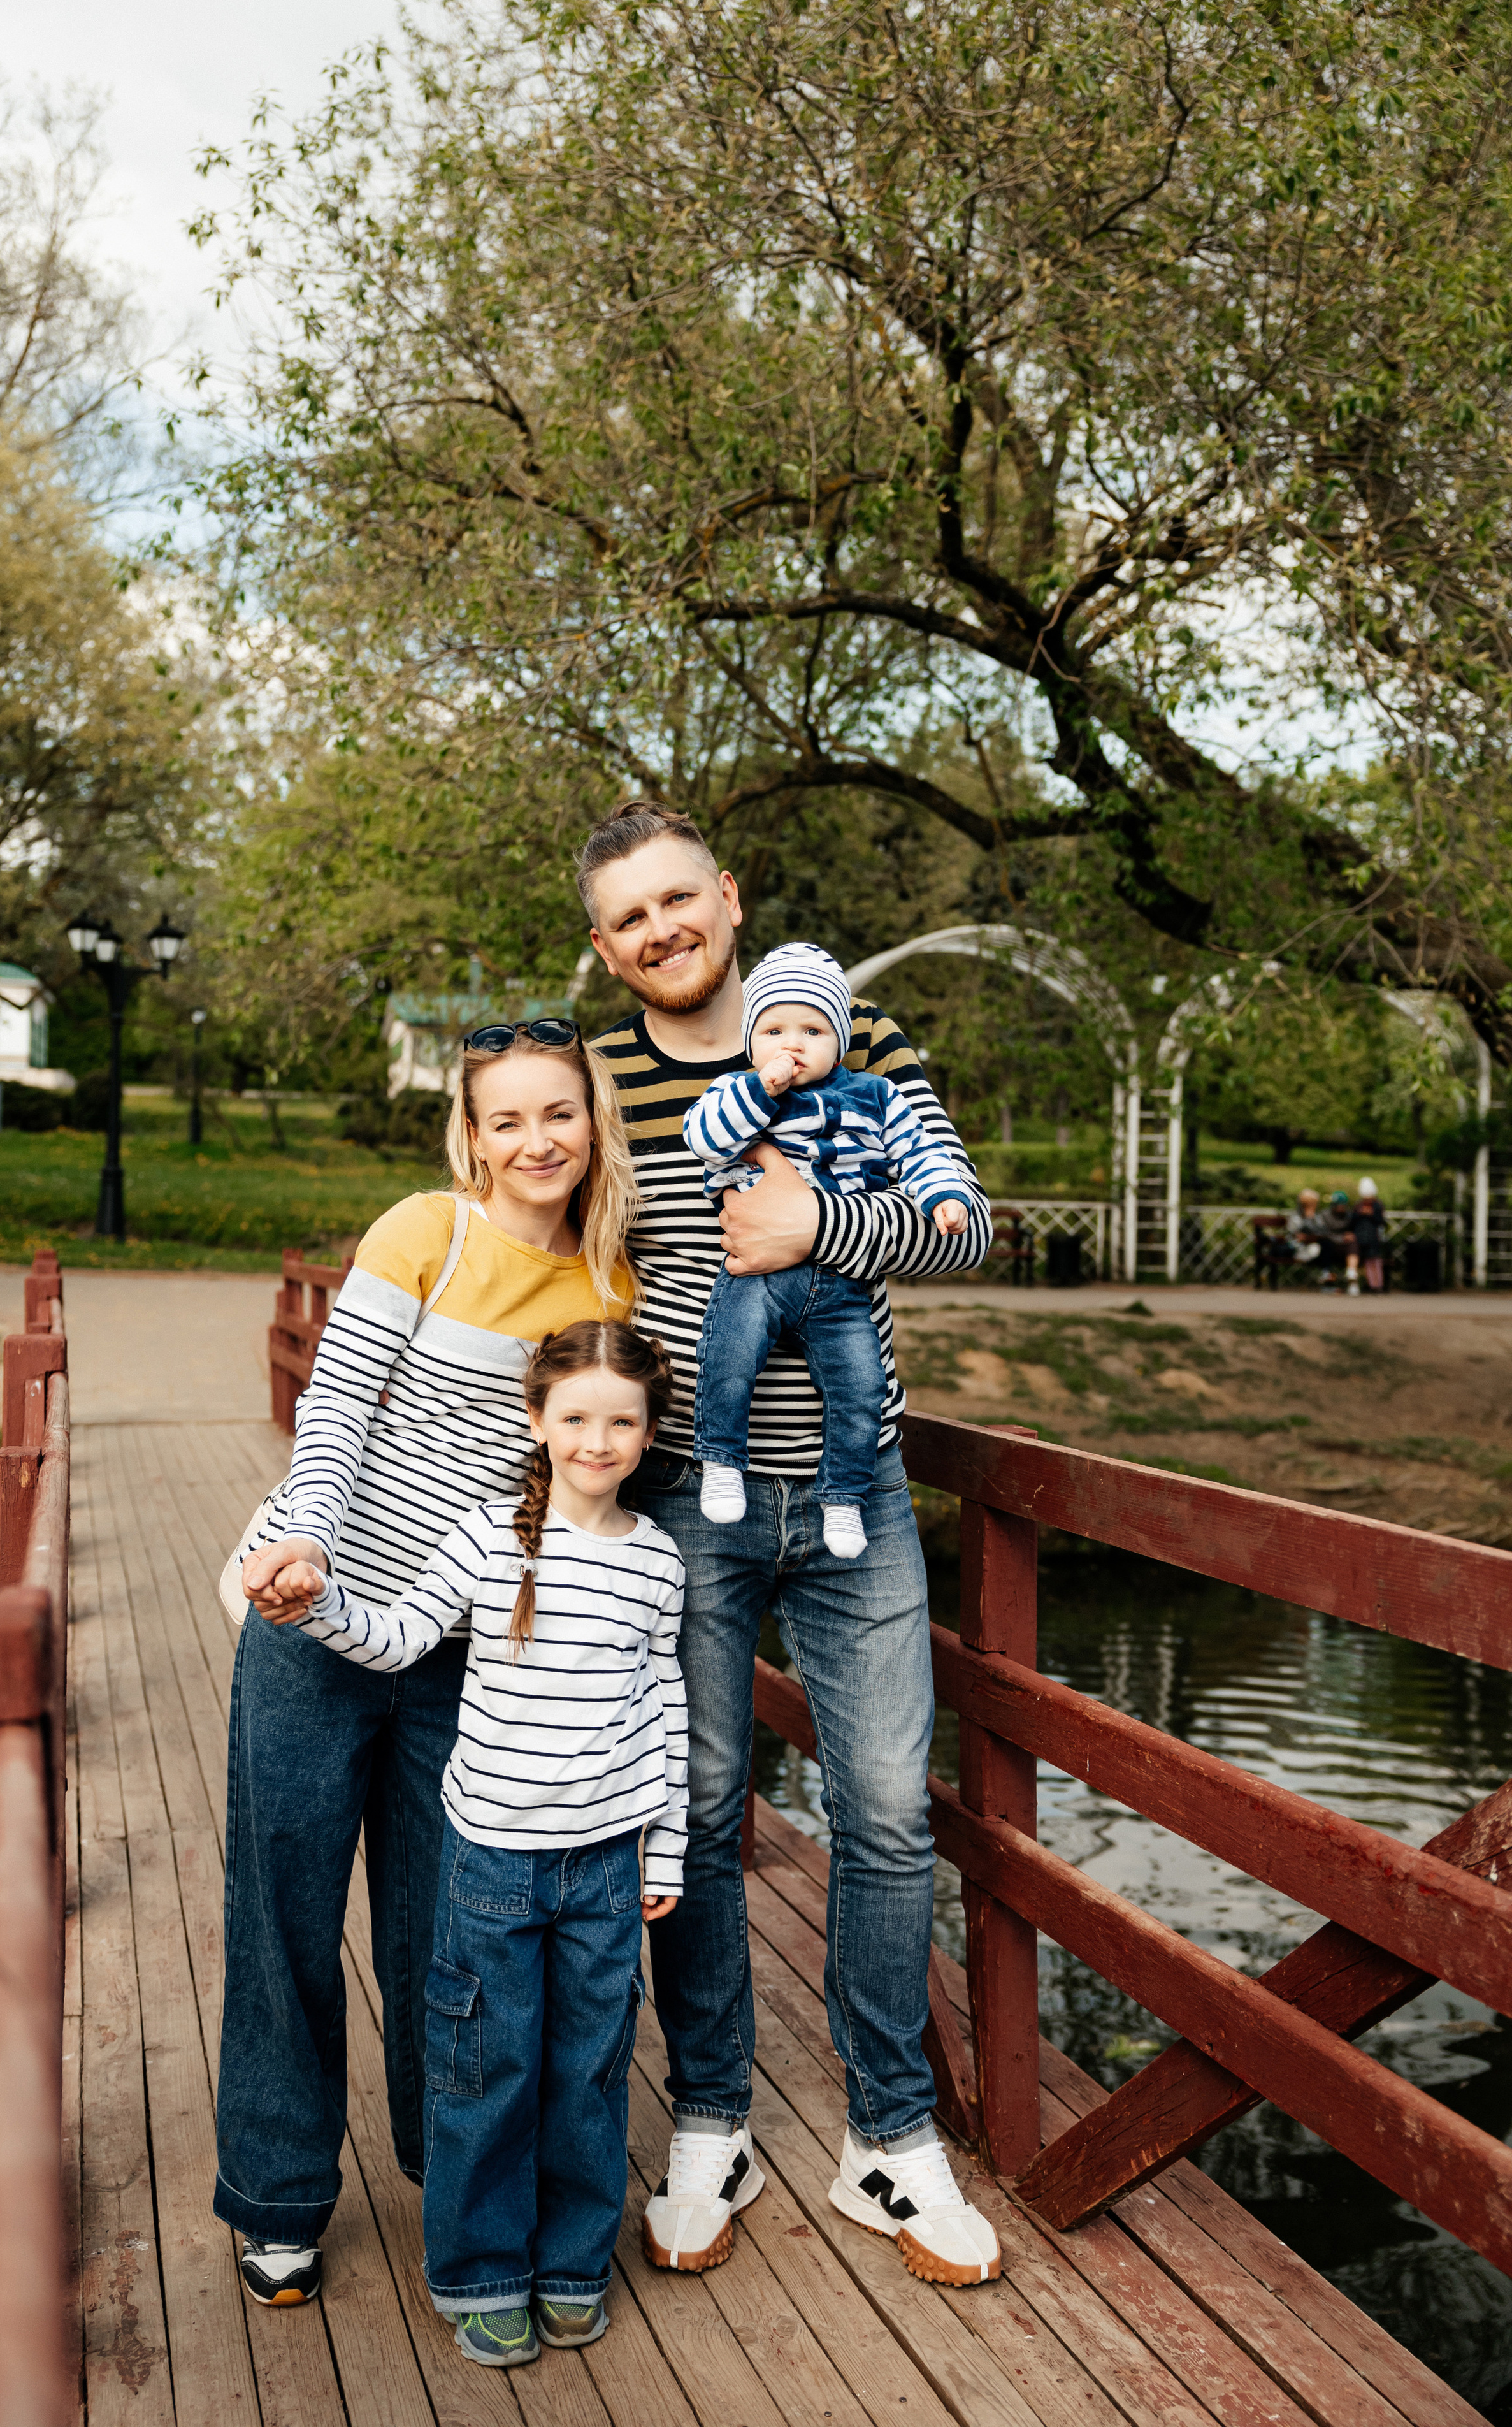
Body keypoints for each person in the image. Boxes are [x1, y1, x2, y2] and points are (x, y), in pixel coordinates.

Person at [581, 798, 1003, 2292]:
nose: (660, 930)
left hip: (853, 1491)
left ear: (728, 895)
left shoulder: (857, 1034)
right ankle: (713, 2117)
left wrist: (815, 1223)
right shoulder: (603, 1076)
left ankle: (887, 2131)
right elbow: (553, 1255)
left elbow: (963, 1226)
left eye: (676, 899)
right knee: (696, 1809)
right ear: (605, 948)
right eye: (628, 918)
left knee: (884, 1807)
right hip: (681, 1495)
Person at [215, 1021, 638, 2308]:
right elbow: (336, 1412)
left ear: (592, 1121)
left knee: (442, 1936)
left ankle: (444, 2166)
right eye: (507, 1119)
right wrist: (303, 1541)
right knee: (284, 1915)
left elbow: (583, 1483)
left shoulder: (609, 1289)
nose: (535, 1140)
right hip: (315, 1620)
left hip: (466, 1656)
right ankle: (280, 2194)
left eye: (557, 1113)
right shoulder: (423, 1234)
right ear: (473, 1134)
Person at [252, 1321, 685, 2369]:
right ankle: (483, 2272)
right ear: (537, 1421)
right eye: (574, 1417)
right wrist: (320, 1604)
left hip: (605, 1867)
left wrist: (665, 1850)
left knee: (588, 2071)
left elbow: (666, 1708)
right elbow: (401, 1638)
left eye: (620, 1422)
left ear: (648, 1432)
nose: (596, 1441)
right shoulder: (491, 1538)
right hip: (493, 1859)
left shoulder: (658, 1561)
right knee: (487, 2065)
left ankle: (572, 2265)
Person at [683, 941, 975, 1559]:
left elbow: (919, 1151)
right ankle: (720, 1459)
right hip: (756, 1276)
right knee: (729, 1354)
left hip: (841, 1283)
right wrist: (761, 1089)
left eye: (812, 1031)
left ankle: (844, 1495)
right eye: (773, 1031)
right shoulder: (735, 1090)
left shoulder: (877, 1096)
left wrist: (943, 1196)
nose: (791, 1045)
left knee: (860, 1385)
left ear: (839, 1042)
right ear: (750, 1040)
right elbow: (704, 1138)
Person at [1354, 1175, 1387, 1292]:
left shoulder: (1378, 1206)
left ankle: (1378, 1285)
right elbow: (1353, 1220)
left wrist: (1371, 1214)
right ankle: (1371, 1284)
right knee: (1367, 1262)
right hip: (1362, 1238)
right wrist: (1361, 1214)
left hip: (1374, 1238)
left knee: (1376, 1261)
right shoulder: (1358, 1206)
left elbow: (1381, 1222)